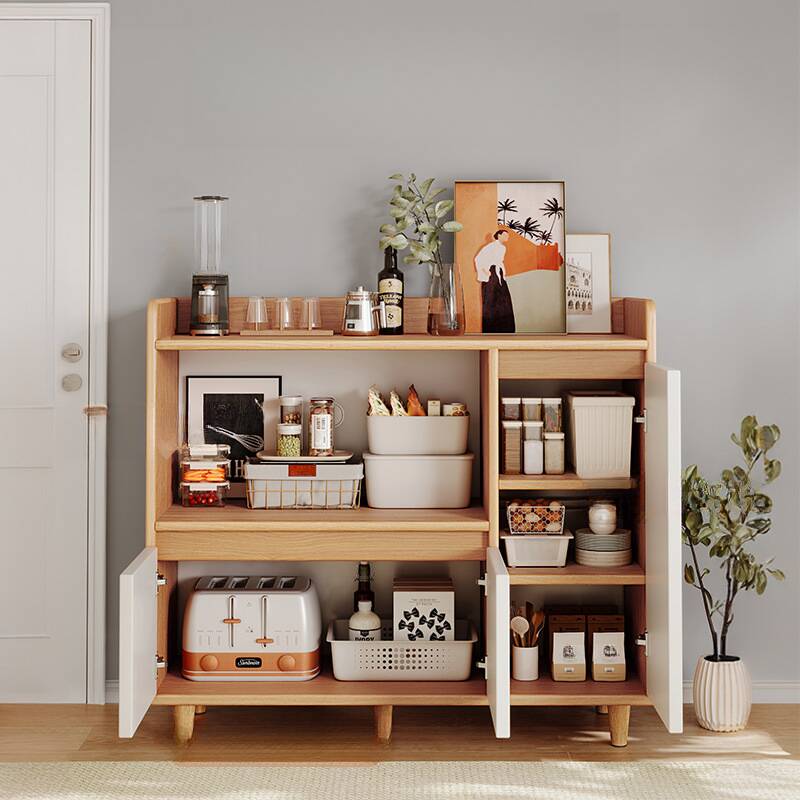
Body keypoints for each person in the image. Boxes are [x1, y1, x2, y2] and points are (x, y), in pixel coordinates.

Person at [474, 230, 515, 333]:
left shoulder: (503, 248)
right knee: (491, 300)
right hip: (491, 274)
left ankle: (506, 329)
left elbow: (500, 262)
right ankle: (491, 330)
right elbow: (478, 258)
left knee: (504, 299)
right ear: (499, 235)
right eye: (505, 235)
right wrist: (485, 270)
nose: (507, 237)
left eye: (508, 235)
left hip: (499, 273)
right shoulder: (490, 246)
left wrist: (502, 273)